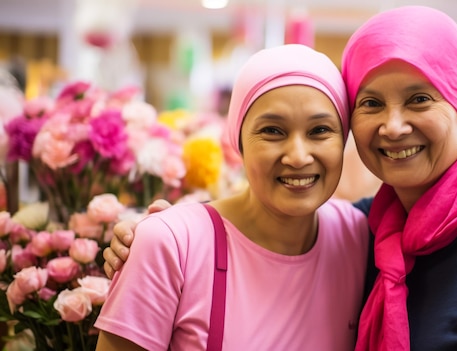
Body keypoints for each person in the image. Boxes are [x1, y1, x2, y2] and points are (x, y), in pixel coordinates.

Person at [105, 6, 457, 350]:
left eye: (419, 98)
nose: (393, 125)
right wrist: (153, 236)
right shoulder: (371, 229)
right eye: (371, 103)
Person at [95, 44, 370, 351]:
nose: (298, 156)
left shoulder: (358, 236)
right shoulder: (173, 244)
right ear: (238, 140)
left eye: (320, 130)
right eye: (273, 131)